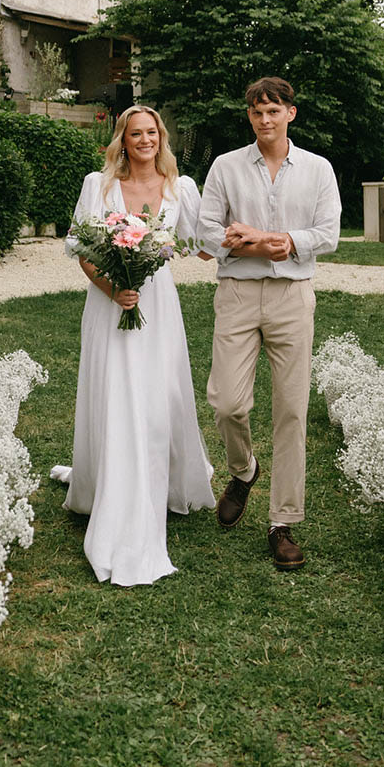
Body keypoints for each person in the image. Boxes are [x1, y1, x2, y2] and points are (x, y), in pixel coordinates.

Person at [59, 105, 214, 586]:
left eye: (151, 132)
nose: (144, 140)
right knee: (115, 392)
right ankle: (112, 484)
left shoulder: (179, 189)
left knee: (158, 392)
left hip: (158, 305)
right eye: (134, 133)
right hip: (109, 303)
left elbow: (201, 244)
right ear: (121, 139)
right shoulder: (98, 186)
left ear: (160, 138)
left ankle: (160, 478)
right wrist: (114, 288)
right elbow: (82, 248)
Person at [198, 77, 341, 570]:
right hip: (237, 294)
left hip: (292, 297)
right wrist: (265, 245)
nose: (265, 120)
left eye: (274, 111)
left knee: (291, 410)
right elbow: (206, 233)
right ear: (250, 117)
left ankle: (282, 522)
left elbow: (328, 234)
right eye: (257, 112)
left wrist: (262, 237)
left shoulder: (318, 169)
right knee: (226, 400)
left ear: (291, 114)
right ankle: (243, 470)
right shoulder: (226, 166)